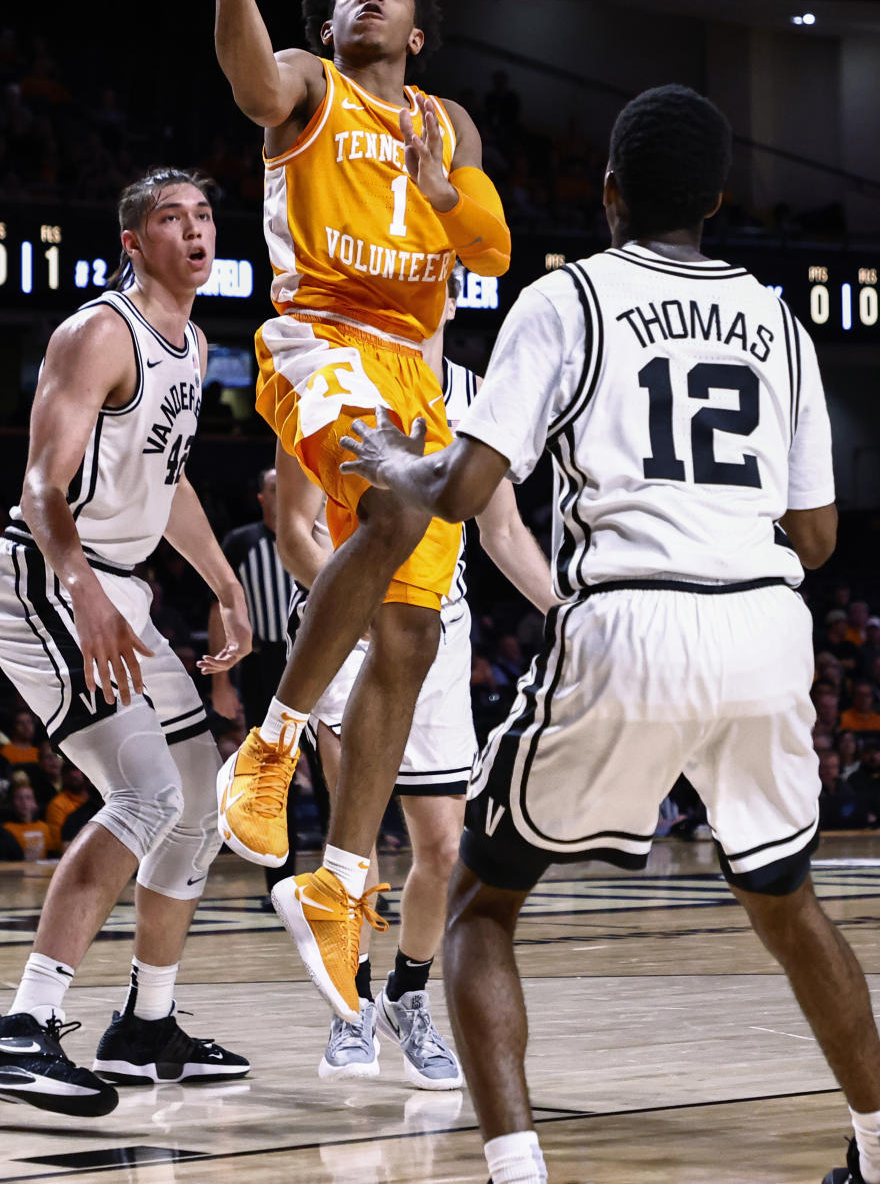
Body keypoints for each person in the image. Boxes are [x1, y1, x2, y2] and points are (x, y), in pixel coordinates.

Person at [340, 85, 880, 1184]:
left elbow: (469, 485)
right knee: (786, 895)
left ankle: (518, 1172)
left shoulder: (571, 295)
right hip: (766, 624)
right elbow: (819, 535)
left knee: (485, 901)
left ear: (608, 195)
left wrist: (399, 464)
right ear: (720, 200)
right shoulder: (781, 320)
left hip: (634, 614)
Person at [204, 0, 511, 1021]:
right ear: (328, 30)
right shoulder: (306, 85)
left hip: (419, 376)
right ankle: (272, 745)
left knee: (411, 637)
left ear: (417, 34)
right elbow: (248, 80)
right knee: (391, 505)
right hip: (322, 341)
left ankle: (338, 878)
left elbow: (488, 248)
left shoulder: (447, 127)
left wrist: (447, 194)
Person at [0, 167, 254, 1118]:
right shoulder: (100, 331)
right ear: (135, 242)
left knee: (200, 799)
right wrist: (83, 589)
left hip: (115, 588)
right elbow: (44, 484)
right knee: (147, 793)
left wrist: (223, 583)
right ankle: (21, 1030)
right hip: (48, 576)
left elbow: (168, 485)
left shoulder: (196, 340)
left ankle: (146, 1025)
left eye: (204, 216)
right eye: (172, 219)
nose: (195, 231)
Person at [275, 270, 556, 1084]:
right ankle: (350, 1008)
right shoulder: (320, 370)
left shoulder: (474, 395)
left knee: (442, 846)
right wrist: (366, 605)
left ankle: (406, 994)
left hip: (440, 624)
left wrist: (563, 607)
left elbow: (502, 530)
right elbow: (295, 527)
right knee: (349, 841)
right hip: (350, 630)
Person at [207, 466, 295, 900]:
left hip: (312, 659)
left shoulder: (318, 532)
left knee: (333, 768)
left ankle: (350, 879)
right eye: (274, 488)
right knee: (271, 773)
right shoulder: (242, 543)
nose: (282, 494)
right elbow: (218, 611)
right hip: (263, 663)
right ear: (261, 497)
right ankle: (278, 882)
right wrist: (221, 684)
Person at [4, 780, 54, 861]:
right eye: (19, 798)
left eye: (28, 798)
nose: (24, 802)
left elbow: (51, 855)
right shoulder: (7, 828)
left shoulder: (44, 827)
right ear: (13, 802)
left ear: (35, 803)